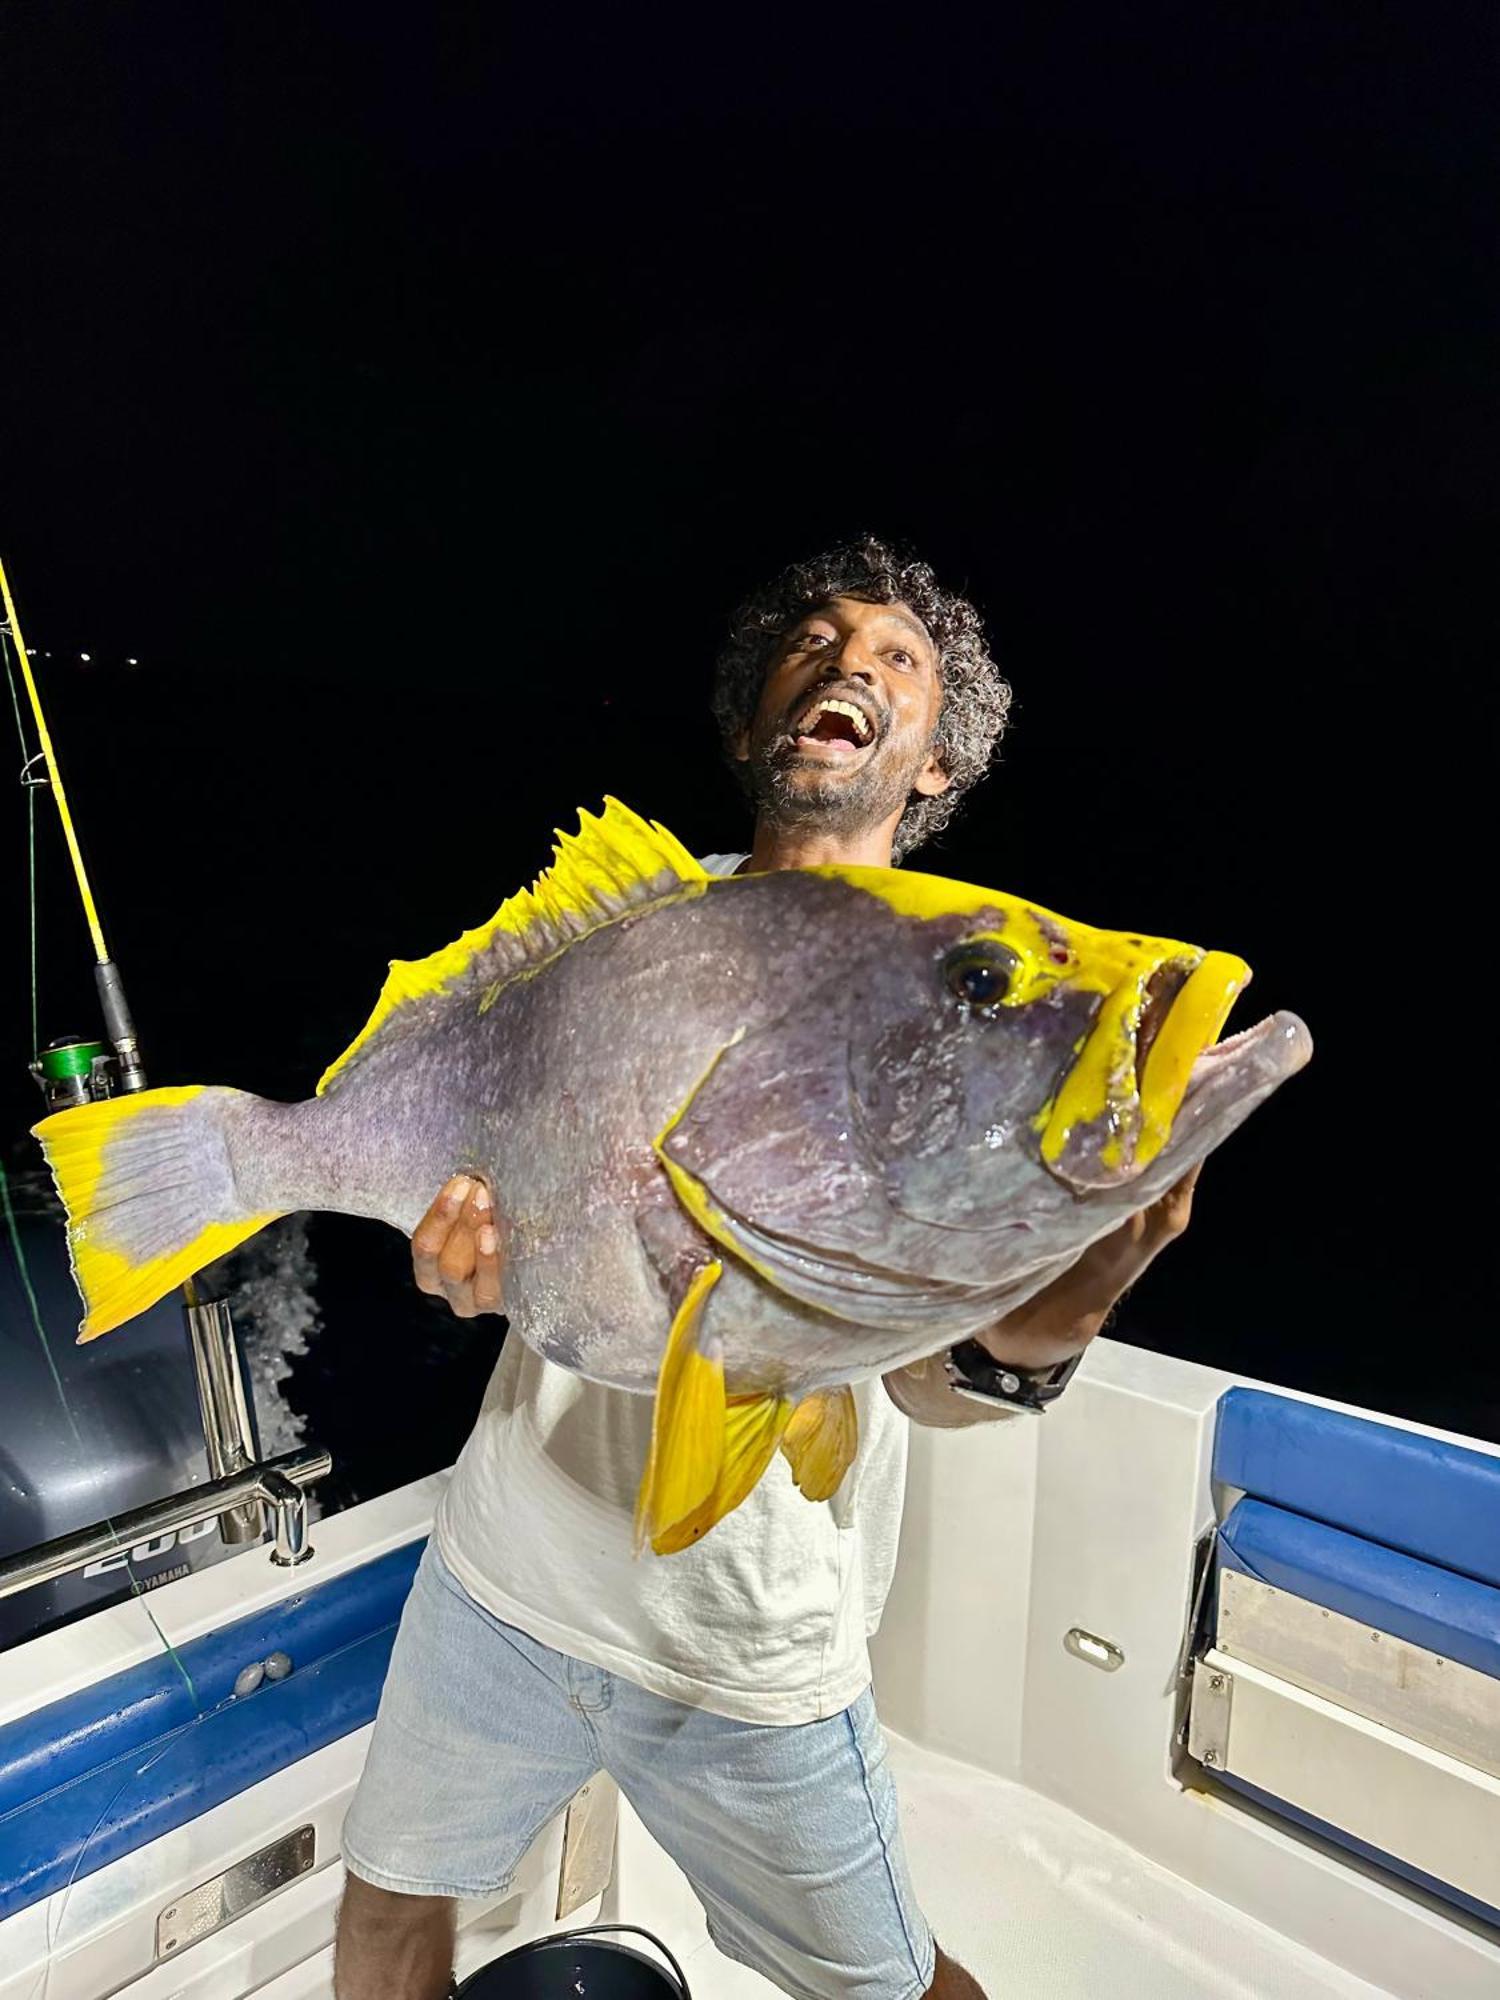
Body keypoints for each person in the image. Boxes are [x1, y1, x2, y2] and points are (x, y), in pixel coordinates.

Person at [333, 537, 1200, 2000]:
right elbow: (492, 1218)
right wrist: (459, 1272)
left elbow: (916, 1380)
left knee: (894, 1983)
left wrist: (1046, 1325)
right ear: (755, 719)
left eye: (898, 656)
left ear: (933, 763)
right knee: (387, 1910)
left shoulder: (960, 989)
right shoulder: (615, 936)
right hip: (502, 1578)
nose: (848, 658)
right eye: (813, 638)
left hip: (751, 1653)